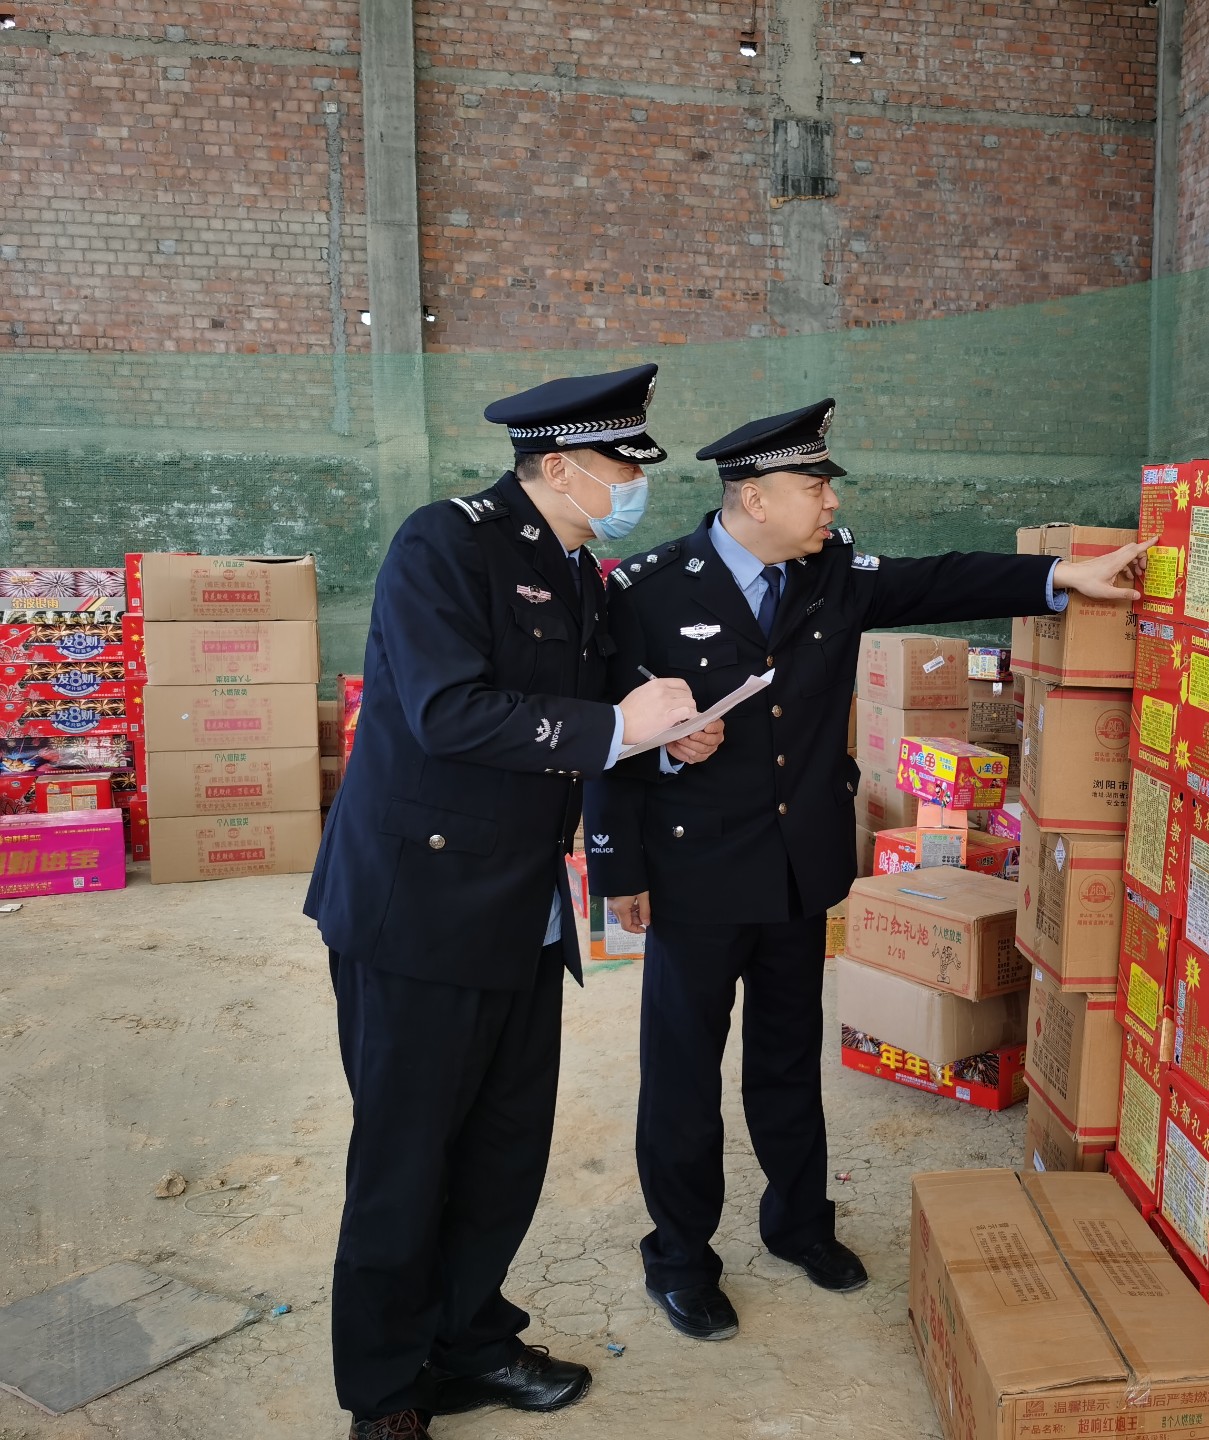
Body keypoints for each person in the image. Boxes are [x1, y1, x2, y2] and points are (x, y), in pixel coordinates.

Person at [583, 398, 1148, 1342]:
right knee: (680, 1077)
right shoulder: (647, 590)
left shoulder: (832, 575)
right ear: (754, 498)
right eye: (815, 486)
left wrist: (1061, 576)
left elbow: (941, 580)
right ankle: (680, 1257)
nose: (831, 501)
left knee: (786, 1060)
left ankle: (800, 1225)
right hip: (694, 876)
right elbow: (609, 732)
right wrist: (618, 866)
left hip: (796, 873)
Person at [304, 363, 724, 1439]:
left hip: (520, 907)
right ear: (565, 466)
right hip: (419, 906)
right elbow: (448, 712)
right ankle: (385, 1393)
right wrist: (619, 727)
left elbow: (590, 714)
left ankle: (468, 1340)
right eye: (623, 466)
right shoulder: (443, 546)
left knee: (502, 1150)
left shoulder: (580, 573)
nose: (634, 485)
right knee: (406, 1161)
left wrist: (663, 736)